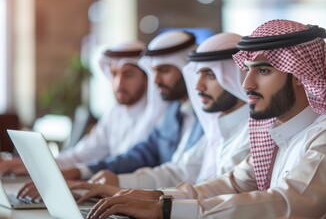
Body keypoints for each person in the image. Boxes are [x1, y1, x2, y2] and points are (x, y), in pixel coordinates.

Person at [84, 19, 326, 219]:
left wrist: (167, 210)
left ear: (301, 76)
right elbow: (235, 183)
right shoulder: (277, 129)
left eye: (263, 71)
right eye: (247, 70)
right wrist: (159, 197)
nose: (247, 83)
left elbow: (287, 203)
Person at [69, 32, 250, 198]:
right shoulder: (209, 122)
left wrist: (153, 202)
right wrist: (120, 184)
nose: (197, 86)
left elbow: (221, 195)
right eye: (198, 75)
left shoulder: (253, 133)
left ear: (236, 77)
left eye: (210, 75)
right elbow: (180, 172)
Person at [0, 40, 167, 175]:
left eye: (128, 75)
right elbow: (80, 155)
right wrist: (28, 163)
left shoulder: (161, 116)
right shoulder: (115, 114)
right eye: (114, 74)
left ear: (147, 78)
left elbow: (132, 164)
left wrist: (80, 172)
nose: (118, 83)